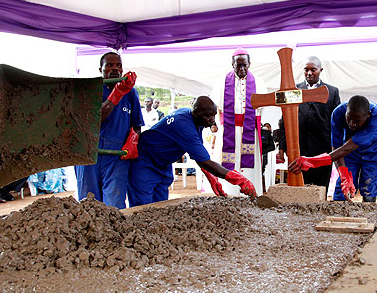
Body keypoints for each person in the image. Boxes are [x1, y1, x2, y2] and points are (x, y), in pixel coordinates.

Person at [127, 96, 257, 207]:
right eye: (207, 115)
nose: (212, 119)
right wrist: (239, 180)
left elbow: (197, 153)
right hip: (145, 161)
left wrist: (211, 176)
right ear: (195, 112)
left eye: (213, 115)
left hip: (163, 164)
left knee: (159, 206)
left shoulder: (193, 120)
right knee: (142, 207)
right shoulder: (184, 125)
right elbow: (204, 161)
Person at [74, 52, 143, 209]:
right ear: (101, 69)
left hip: (116, 156)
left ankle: (115, 233)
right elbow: (96, 118)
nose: (115, 69)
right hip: (89, 155)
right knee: (89, 203)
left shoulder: (131, 92)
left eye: (118, 66)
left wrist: (133, 140)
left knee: (115, 204)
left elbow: (137, 125)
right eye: (109, 65)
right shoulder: (91, 89)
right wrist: (116, 93)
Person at [289, 95, 377, 202]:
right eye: (349, 119)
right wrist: (343, 174)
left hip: (374, 152)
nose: (352, 124)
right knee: (342, 188)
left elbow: (347, 148)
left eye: (357, 121)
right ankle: (337, 213)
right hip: (350, 152)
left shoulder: (375, 115)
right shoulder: (338, 113)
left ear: (367, 115)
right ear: (346, 111)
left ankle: (368, 211)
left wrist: (312, 162)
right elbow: (337, 146)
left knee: (369, 185)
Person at [278, 55, 341, 191]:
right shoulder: (294, 90)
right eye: (306, 70)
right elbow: (284, 121)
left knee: (320, 187)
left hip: (323, 149)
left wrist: (335, 146)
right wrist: (282, 147)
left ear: (321, 70)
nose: (309, 73)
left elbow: (337, 123)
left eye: (313, 70)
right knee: (300, 188)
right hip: (298, 148)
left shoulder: (332, 91)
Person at [210, 47, 266, 196]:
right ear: (232, 64)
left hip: (249, 131)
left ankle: (250, 193)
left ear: (250, 64)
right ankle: (228, 193)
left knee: (248, 165)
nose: (241, 68)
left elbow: (262, 109)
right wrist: (216, 124)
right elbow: (214, 106)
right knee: (227, 162)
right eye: (238, 65)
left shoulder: (258, 82)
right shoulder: (222, 82)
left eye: (244, 65)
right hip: (228, 131)